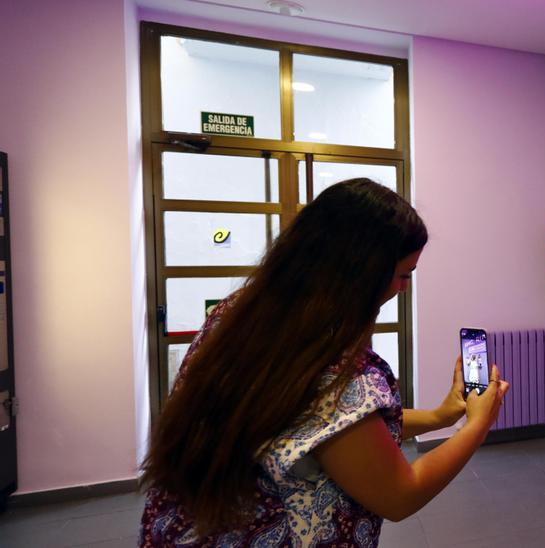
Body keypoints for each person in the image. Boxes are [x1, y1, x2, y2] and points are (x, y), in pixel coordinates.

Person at [139, 179, 510, 546]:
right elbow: (400, 494)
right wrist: (476, 424)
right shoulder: (334, 370)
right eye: (402, 275)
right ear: (361, 272)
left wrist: (438, 417)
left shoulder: (239, 314)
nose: (403, 288)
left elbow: (333, 431)